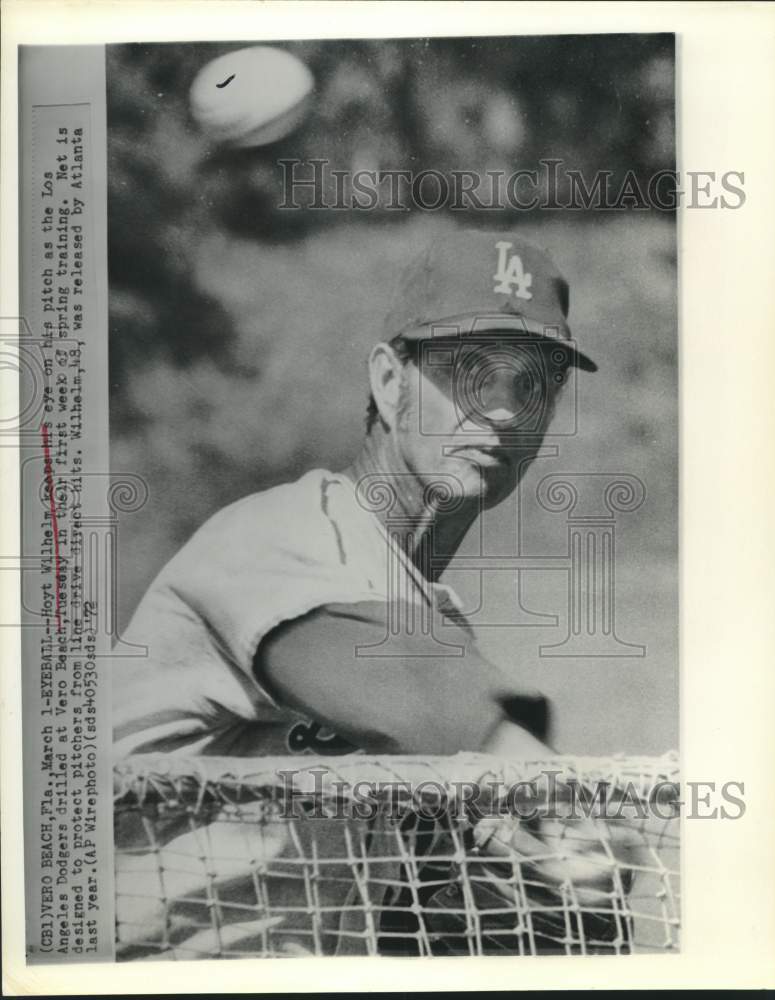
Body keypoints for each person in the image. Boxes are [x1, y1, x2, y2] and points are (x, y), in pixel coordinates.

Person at [113, 229, 632, 959]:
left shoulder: (434, 625)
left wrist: (563, 879)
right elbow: (403, 684)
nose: (507, 411)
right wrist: (564, 810)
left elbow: (449, 880)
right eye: (472, 372)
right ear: (389, 383)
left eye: (535, 385)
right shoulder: (275, 536)